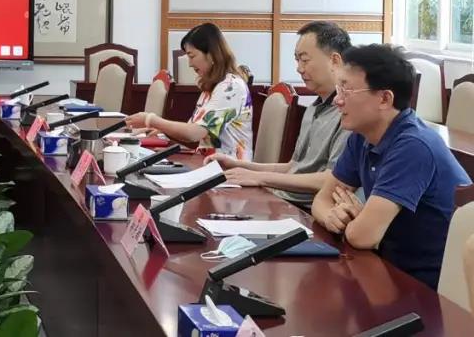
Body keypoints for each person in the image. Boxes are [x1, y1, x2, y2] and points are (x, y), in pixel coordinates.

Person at [312, 44, 471, 289]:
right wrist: (334, 217)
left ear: (385, 99)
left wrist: (357, 221)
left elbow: (363, 236)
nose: (337, 100)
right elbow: (321, 201)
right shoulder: (361, 137)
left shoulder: (413, 146)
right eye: (338, 88)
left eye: (347, 90)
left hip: (431, 285)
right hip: (390, 268)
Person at [207, 21, 351, 208]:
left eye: (305, 60)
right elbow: (293, 167)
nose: (299, 68)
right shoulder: (313, 109)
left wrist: (260, 178)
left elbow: (333, 180)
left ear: (335, 60)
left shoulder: (349, 113)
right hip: (283, 199)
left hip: (305, 210)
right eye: (297, 60)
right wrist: (238, 165)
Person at [126, 22, 253, 160]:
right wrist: (162, 130)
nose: (190, 64)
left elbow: (194, 133)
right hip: (208, 164)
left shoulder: (231, 87)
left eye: (192, 56)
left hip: (228, 169)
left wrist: (151, 120)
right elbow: (191, 131)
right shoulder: (213, 87)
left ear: (212, 54)